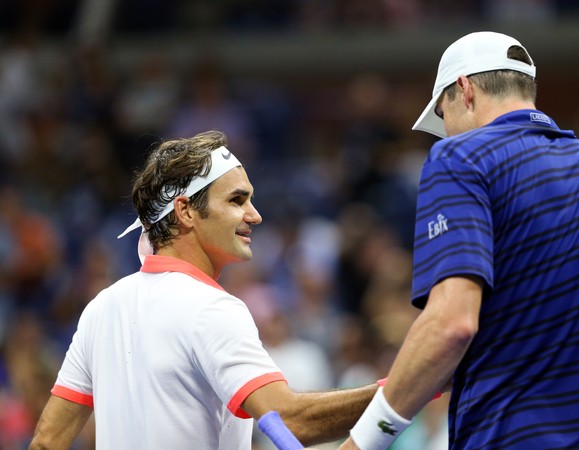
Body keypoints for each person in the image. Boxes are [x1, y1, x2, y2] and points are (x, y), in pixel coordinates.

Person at [339, 31, 579, 449]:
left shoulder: (460, 157)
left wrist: (362, 442)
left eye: (442, 116)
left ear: (464, 90)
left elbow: (451, 324)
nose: (446, 135)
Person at [28, 130, 379, 449]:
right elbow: (287, 420)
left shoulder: (101, 307)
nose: (254, 215)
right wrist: (402, 390)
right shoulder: (212, 308)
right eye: (237, 200)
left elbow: (46, 443)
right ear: (186, 212)